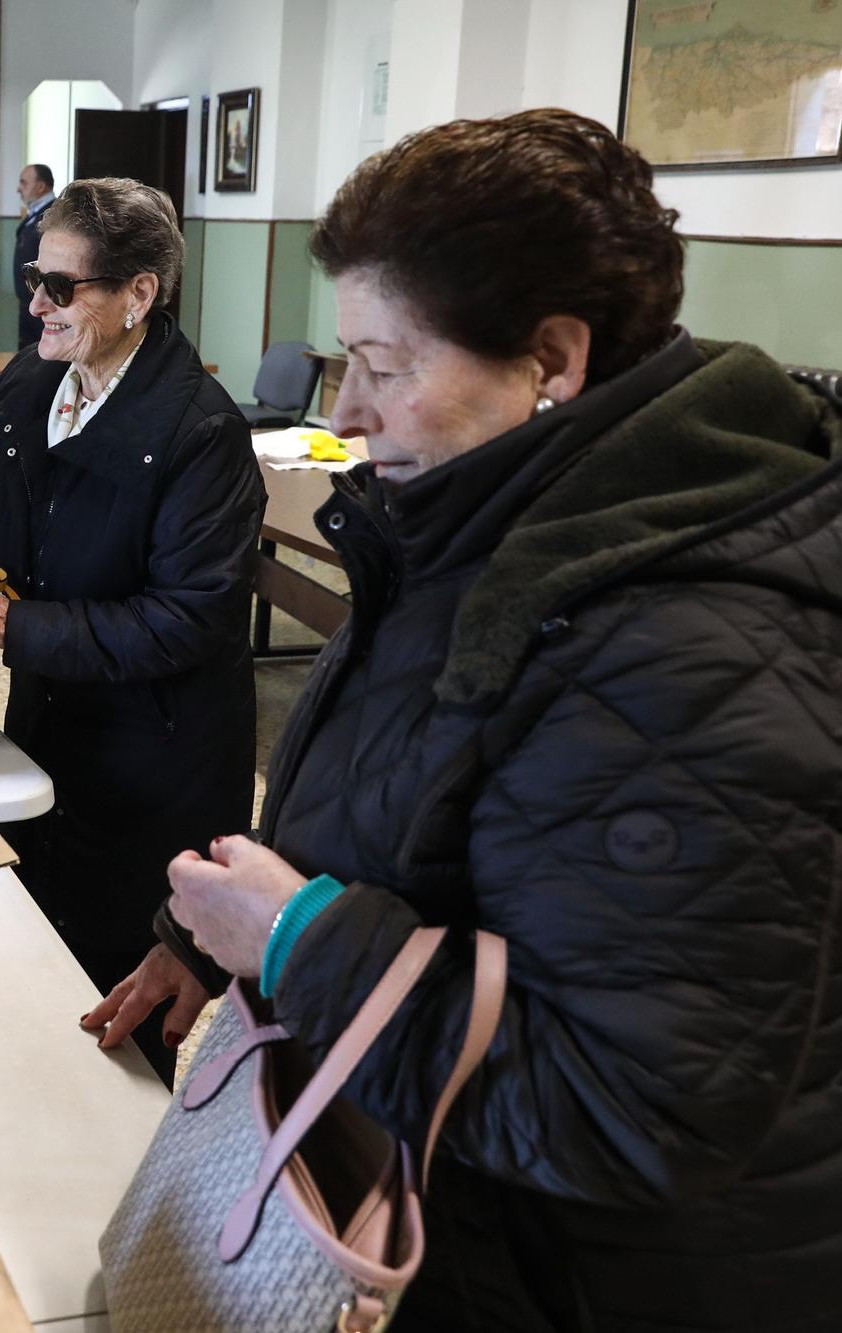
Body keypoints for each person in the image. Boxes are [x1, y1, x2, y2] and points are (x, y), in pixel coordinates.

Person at [86, 109, 842, 1330]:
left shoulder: (683, 644)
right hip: (460, 1223)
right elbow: (423, 799)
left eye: (385, 366)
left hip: (579, 1280)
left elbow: (626, 1107)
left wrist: (294, 944)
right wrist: (214, 930)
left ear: (551, 359)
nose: (351, 407)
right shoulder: (488, 530)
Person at [0, 178, 263, 1080]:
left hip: (154, 759)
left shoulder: (200, 437)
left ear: (138, 294)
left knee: (121, 995)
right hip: (62, 720)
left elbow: (187, 619)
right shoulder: (40, 378)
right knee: (47, 949)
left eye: (61, 286)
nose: (36, 304)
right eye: (31, 279)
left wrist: (18, 623)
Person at [13, 164, 57, 347]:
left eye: (23, 183)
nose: (18, 189)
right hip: (29, 303)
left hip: (45, 304)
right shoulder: (34, 213)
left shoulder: (54, 214)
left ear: (40, 186)